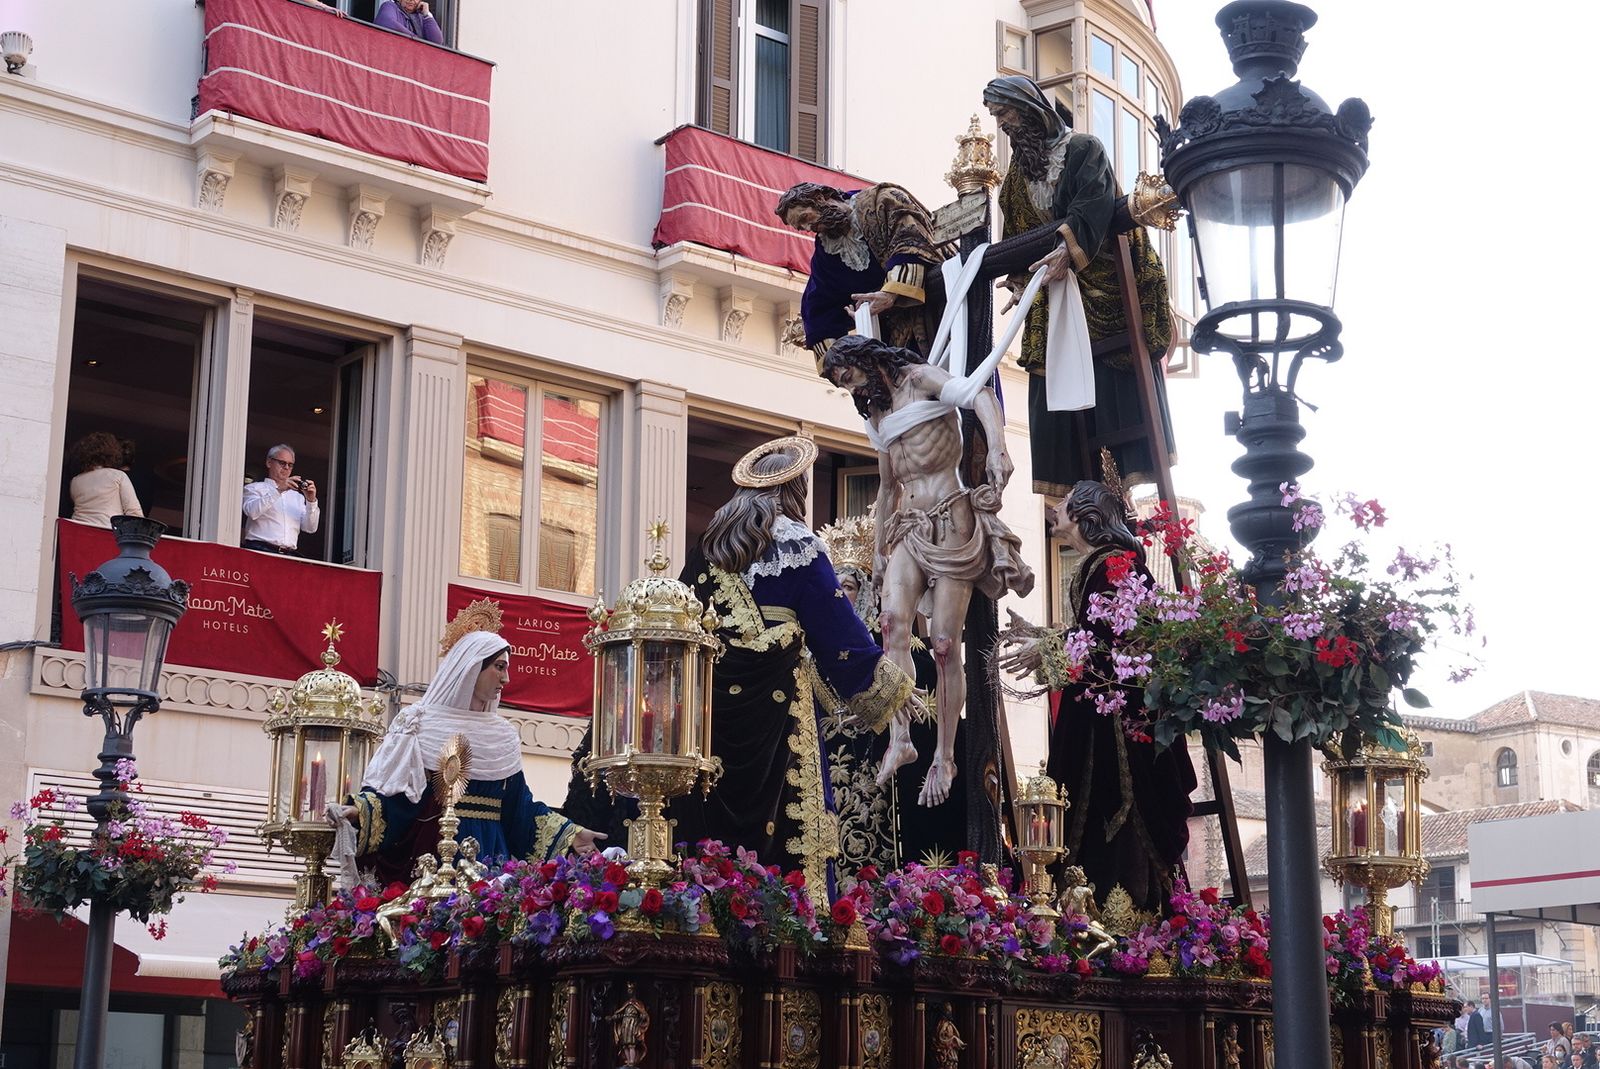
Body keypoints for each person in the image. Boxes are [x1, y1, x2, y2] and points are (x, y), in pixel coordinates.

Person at [566, 436, 921, 896]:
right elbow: (840, 636)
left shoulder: (710, 548)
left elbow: (680, 625)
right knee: (780, 837)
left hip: (706, 715)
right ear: (794, 493)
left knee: (705, 823)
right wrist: (892, 688)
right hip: (774, 723)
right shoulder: (799, 547)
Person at [821, 335, 1033, 808]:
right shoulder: (877, 414)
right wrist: (877, 548)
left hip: (950, 517)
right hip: (905, 525)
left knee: (941, 644)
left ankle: (944, 756)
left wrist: (998, 446)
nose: (845, 384)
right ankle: (902, 737)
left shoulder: (921, 381)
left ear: (864, 360)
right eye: (839, 381)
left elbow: (979, 394)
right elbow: (885, 485)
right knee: (892, 624)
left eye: (845, 374)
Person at [995, 480, 1195, 912]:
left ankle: (1126, 916)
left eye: (1063, 504)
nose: (1055, 511)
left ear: (1086, 515)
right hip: (1098, 710)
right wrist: (1040, 637)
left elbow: (1111, 638)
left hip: (1117, 722)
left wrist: (1048, 649)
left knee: (1113, 803)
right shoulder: (1099, 564)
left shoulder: (1115, 564)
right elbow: (1095, 635)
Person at [981, 75, 1175, 496]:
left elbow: (1092, 205)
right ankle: (1077, 483)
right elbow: (1015, 228)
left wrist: (1067, 250)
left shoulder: (1083, 148)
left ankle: (1120, 481)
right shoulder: (1017, 175)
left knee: (1112, 384)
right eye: (997, 116)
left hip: (1102, 287)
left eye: (1005, 113)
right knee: (1052, 388)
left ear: (1028, 107)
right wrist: (1017, 279)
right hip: (1050, 293)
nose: (1002, 124)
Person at [332, 626, 603, 885]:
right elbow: (400, 796)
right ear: (472, 667)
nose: (506, 679)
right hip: (433, 856)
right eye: (499, 666)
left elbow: (520, 811)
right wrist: (361, 811)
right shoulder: (420, 724)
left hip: (490, 864)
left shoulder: (503, 736)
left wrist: (571, 833)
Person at [776, 182, 951, 371]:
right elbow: (818, 305)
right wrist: (842, 366)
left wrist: (891, 293)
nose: (810, 227)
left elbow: (909, 238)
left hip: (937, 303)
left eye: (805, 217)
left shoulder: (882, 199)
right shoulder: (826, 254)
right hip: (894, 335)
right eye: (802, 227)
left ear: (821, 198)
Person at [242, 444, 319, 555]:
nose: (286, 468)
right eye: (282, 463)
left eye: (290, 465)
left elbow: (310, 528)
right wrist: (278, 490)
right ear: (269, 463)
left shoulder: (297, 497)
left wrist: (311, 501)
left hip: (289, 555)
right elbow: (252, 512)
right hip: (260, 550)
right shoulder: (254, 488)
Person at [66, 432, 143, 527]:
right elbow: (134, 513)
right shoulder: (117, 475)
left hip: (79, 530)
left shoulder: (75, 481)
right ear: (111, 453)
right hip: (106, 532)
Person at [375, 0, 444, 43]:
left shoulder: (422, 17)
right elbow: (387, 22)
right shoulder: (390, 5)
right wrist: (416, 40)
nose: (412, 0)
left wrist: (427, 14)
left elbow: (436, 40)